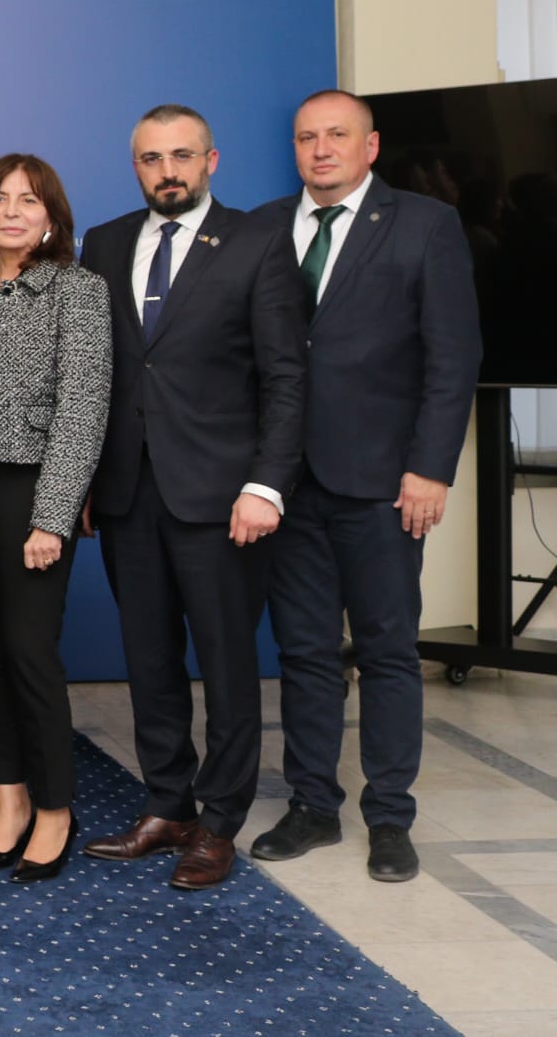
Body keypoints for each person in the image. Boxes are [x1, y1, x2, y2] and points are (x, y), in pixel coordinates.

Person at [248, 90, 479, 882]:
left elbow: (453, 357)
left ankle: (390, 817)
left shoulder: (424, 225)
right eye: (306, 137)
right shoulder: (264, 227)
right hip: (287, 483)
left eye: (337, 135)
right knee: (305, 653)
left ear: (370, 146)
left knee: (385, 651)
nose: (321, 149)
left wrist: (431, 467)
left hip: (385, 482)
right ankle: (313, 805)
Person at [79, 103, 307, 891]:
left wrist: (265, 485)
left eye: (182, 155)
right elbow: (101, 373)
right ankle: (167, 805)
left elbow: (286, 377)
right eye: (152, 158)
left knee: (228, 664)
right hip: (128, 492)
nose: (167, 171)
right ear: (135, 167)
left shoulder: (257, 240)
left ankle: (219, 821)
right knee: (148, 660)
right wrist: (85, 483)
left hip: (223, 496)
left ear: (212, 161)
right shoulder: (105, 243)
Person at [0, 153, 111, 883]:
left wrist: (53, 518)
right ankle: (10, 801)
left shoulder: (79, 290)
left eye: (28, 200)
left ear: (51, 217)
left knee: (30, 652)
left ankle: (56, 809)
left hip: (29, 494)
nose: (11, 211)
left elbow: (83, 407)